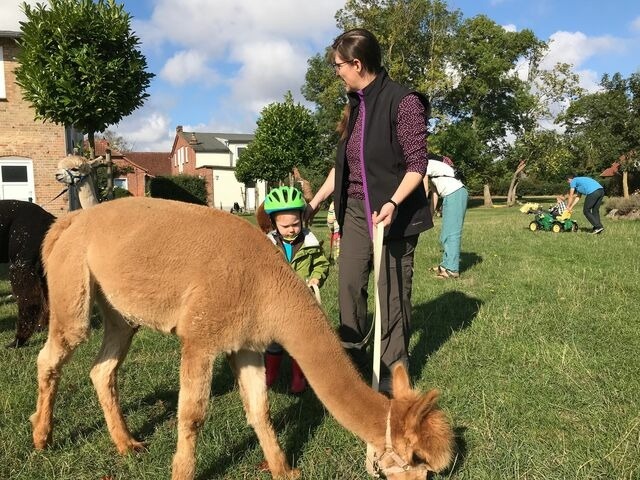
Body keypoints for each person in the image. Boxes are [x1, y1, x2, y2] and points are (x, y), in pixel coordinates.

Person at [305, 28, 432, 394]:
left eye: (338, 66)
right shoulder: (355, 106)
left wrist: (392, 202)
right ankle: (354, 359)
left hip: (396, 212)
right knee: (348, 284)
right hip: (357, 212)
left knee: (391, 292)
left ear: (357, 64)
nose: (337, 72)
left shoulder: (403, 101)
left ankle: (393, 373)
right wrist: (315, 203)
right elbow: (343, 169)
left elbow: (416, 165)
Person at [263, 185, 330, 393]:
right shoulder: (267, 245)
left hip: (303, 302)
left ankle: (298, 376)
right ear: (273, 223)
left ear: (302, 218)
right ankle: (270, 373)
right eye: (285, 226)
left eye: (295, 223)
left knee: (300, 343)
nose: (291, 229)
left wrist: (317, 278)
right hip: (276, 303)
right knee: (273, 342)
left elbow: (321, 264)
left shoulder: (310, 243)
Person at [423, 156, 468, 279]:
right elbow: (434, 194)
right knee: (445, 234)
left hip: (455, 193)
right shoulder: (433, 168)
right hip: (451, 195)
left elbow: (425, 190)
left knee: (452, 233)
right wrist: (430, 215)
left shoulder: (424, 164)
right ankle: (445, 265)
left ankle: (452, 270)